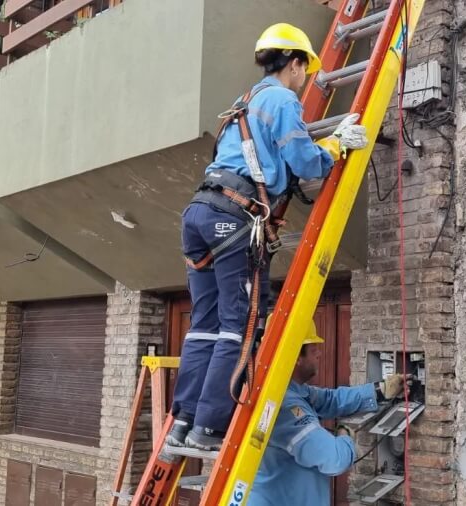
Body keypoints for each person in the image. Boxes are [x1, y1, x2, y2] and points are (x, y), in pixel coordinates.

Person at [167, 22, 369, 451]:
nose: (306, 79)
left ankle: (183, 422)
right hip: (234, 219)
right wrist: (336, 145)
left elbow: (268, 163)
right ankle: (209, 428)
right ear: (294, 63)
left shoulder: (244, 102)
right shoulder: (282, 99)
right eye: (305, 70)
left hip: (200, 212)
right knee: (240, 326)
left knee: (204, 325)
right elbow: (306, 163)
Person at [248, 323, 409, 506]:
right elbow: (336, 460)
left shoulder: (290, 390)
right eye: (313, 349)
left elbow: (331, 399)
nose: (319, 353)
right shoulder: (285, 407)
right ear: (295, 356)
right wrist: (344, 435)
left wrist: (381, 390)